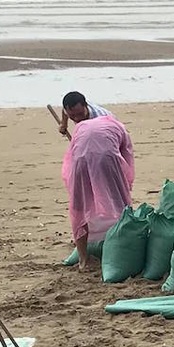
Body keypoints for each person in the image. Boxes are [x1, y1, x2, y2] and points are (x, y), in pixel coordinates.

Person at [61, 116, 135, 272]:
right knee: (121, 206)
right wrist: (126, 184)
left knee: (79, 209)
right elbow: (127, 157)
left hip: (79, 162)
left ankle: (83, 259)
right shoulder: (119, 127)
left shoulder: (80, 127)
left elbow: (71, 155)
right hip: (108, 161)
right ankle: (124, 253)